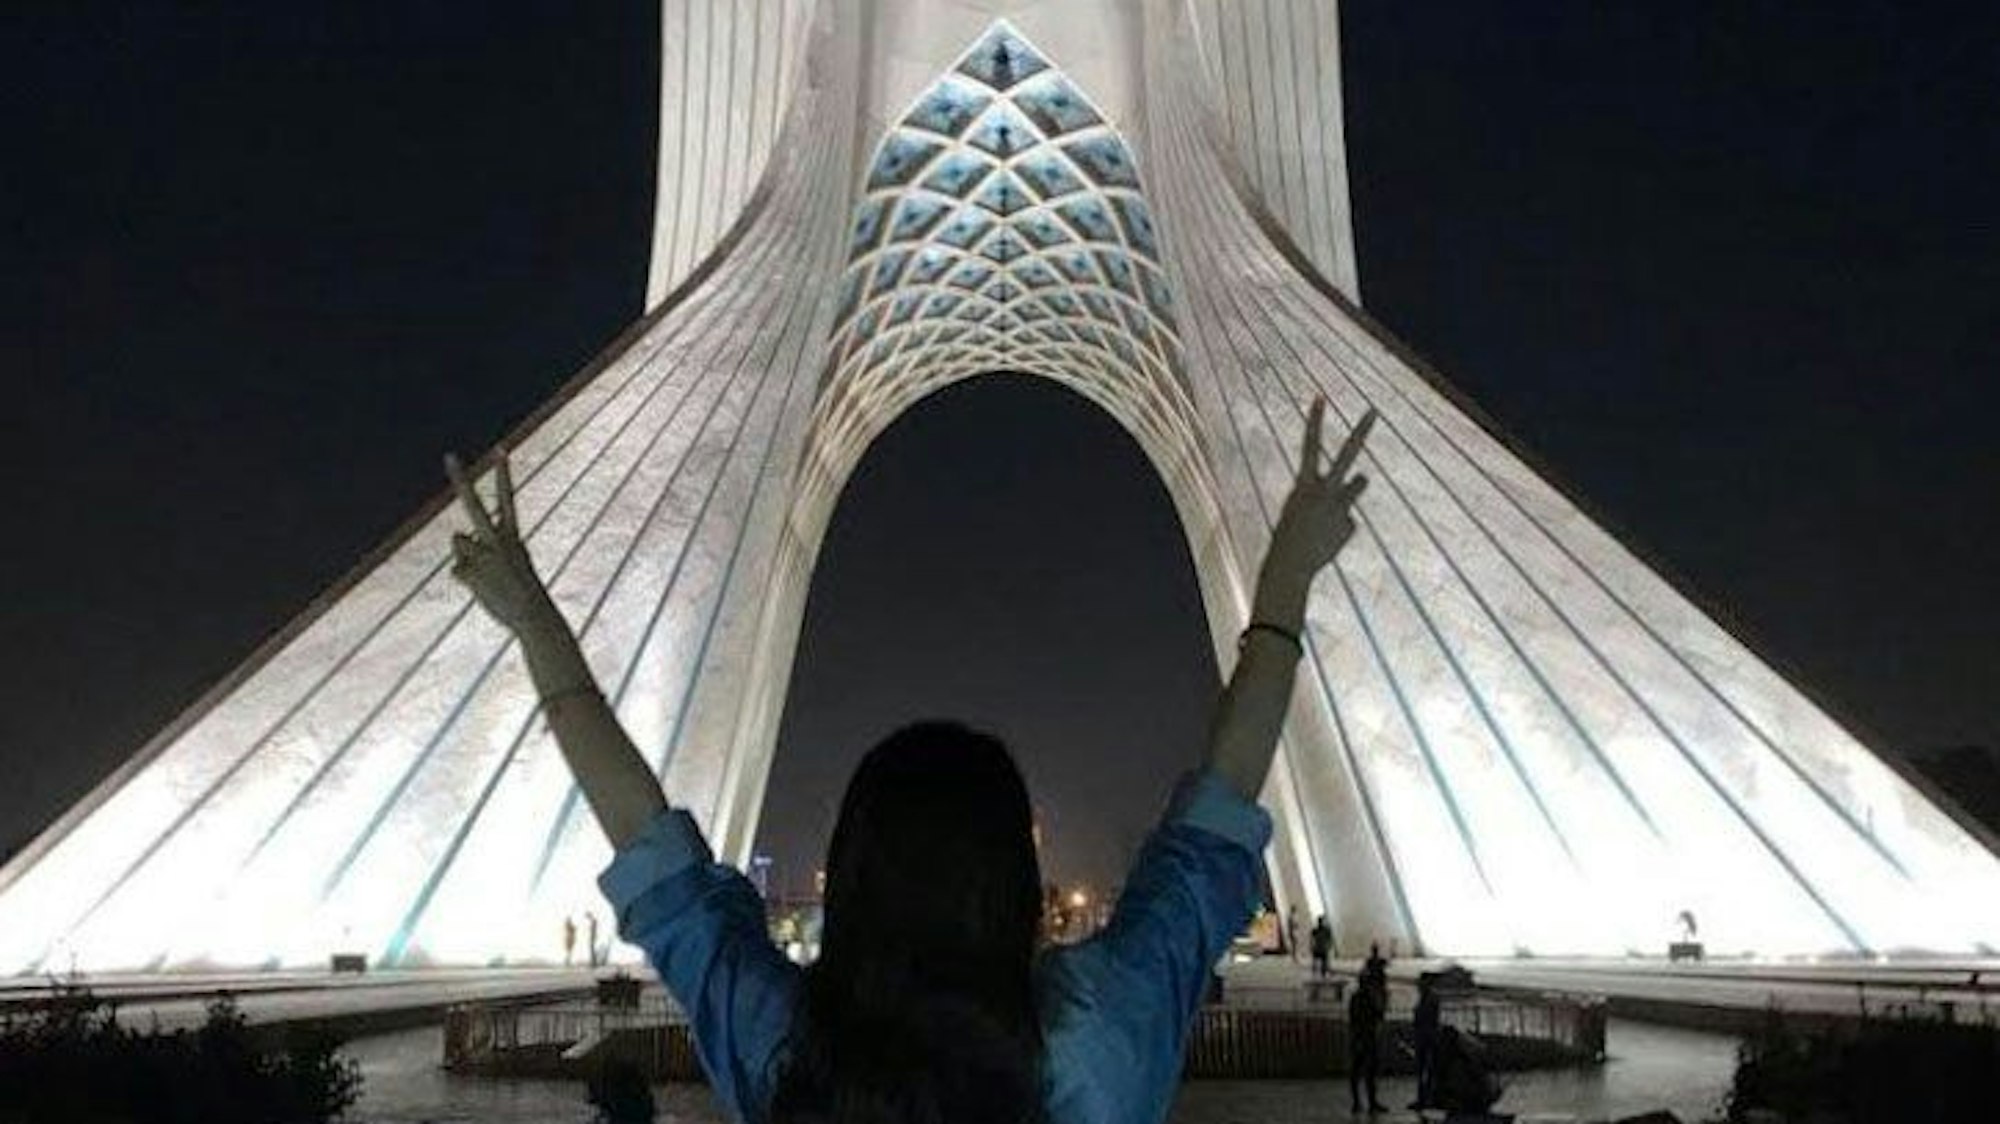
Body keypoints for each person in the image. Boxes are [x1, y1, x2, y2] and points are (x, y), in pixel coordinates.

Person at [446, 403, 1375, 1123]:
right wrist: (1286, 583)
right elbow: (1215, 820)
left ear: (850, 878)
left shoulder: (794, 1053)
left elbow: (660, 862)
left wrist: (535, 624)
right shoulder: (1098, 1038)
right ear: (1017, 881)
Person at [1345, 969, 1386, 1113]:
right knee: (1366, 1072)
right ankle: (1367, 1102)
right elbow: (1377, 1015)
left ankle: (1360, 1103)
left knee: (1360, 1072)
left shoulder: (1358, 997)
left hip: (1360, 1037)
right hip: (1365, 1037)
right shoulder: (1366, 998)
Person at [1411, 973, 1442, 1109]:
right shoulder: (1430, 998)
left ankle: (1425, 1098)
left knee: (1426, 1070)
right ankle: (1424, 1098)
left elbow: (1427, 1019)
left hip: (1427, 1039)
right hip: (1426, 1038)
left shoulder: (1429, 999)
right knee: (1425, 1070)